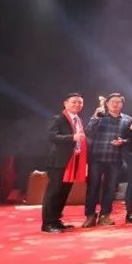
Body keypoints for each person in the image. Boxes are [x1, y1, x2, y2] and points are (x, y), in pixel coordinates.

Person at [83, 93, 132, 227]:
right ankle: (90, 215)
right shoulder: (100, 116)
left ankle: (105, 215)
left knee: (110, 188)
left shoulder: (127, 119)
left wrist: (123, 141)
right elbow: (88, 131)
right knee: (93, 187)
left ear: (122, 104)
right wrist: (95, 117)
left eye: (118, 102)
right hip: (96, 158)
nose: (115, 104)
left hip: (115, 159)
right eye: (112, 102)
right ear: (107, 103)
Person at [42, 93, 87, 233]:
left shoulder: (78, 120)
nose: (77, 104)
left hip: (73, 162)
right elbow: (53, 136)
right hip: (59, 162)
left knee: (63, 193)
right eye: (74, 102)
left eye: (80, 102)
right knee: (54, 193)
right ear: (65, 103)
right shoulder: (58, 119)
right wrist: (72, 137)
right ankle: (47, 223)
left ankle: (56, 220)